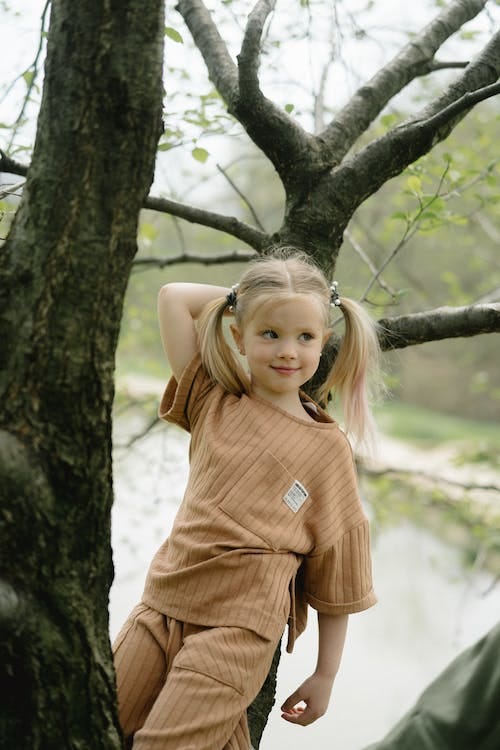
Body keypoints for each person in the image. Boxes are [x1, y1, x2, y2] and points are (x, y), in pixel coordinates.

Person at [113, 248, 380, 749]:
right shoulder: (214, 399)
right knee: (88, 722)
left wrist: (326, 675)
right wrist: (251, 300)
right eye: (269, 333)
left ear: (324, 341)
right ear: (238, 335)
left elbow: (337, 571)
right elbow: (174, 298)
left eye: (305, 336)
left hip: (238, 627)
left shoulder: (327, 450)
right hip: (162, 603)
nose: (287, 351)